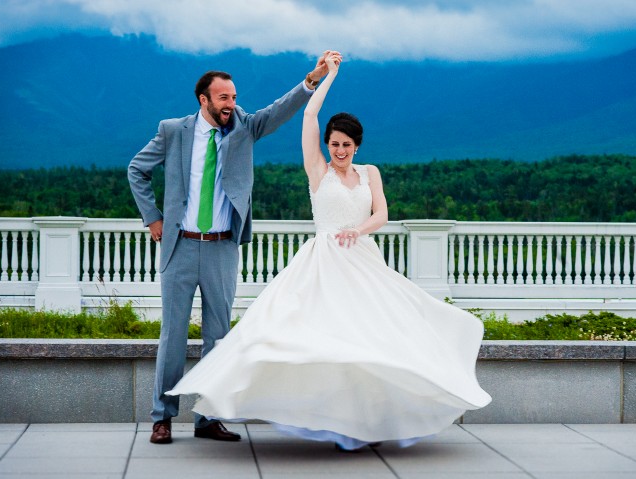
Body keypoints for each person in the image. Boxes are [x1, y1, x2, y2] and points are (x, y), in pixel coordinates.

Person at [166, 52, 491, 450]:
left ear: (357, 146)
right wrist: (329, 76)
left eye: (346, 145)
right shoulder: (317, 169)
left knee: (371, 342)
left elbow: (382, 213)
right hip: (323, 263)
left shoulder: (370, 173)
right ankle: (333, 423)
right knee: (324, 343)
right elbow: (307, 116)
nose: (339, 150)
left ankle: (366, 423)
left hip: (363, 262)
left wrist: (359, 229)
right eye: (334, 144)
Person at [128, 52, 334, 445]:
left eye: (234, 96)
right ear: (203, 100)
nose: (231, 104)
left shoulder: (244, 127)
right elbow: (136, 169)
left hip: (223, 247)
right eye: (223, 98)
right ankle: (162, 417)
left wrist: (312, 79)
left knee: (219, 339)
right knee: (172, 336)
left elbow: (278, 110)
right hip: (179, 248)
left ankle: (208, 418)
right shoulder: (173, 131)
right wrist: (152, 217)